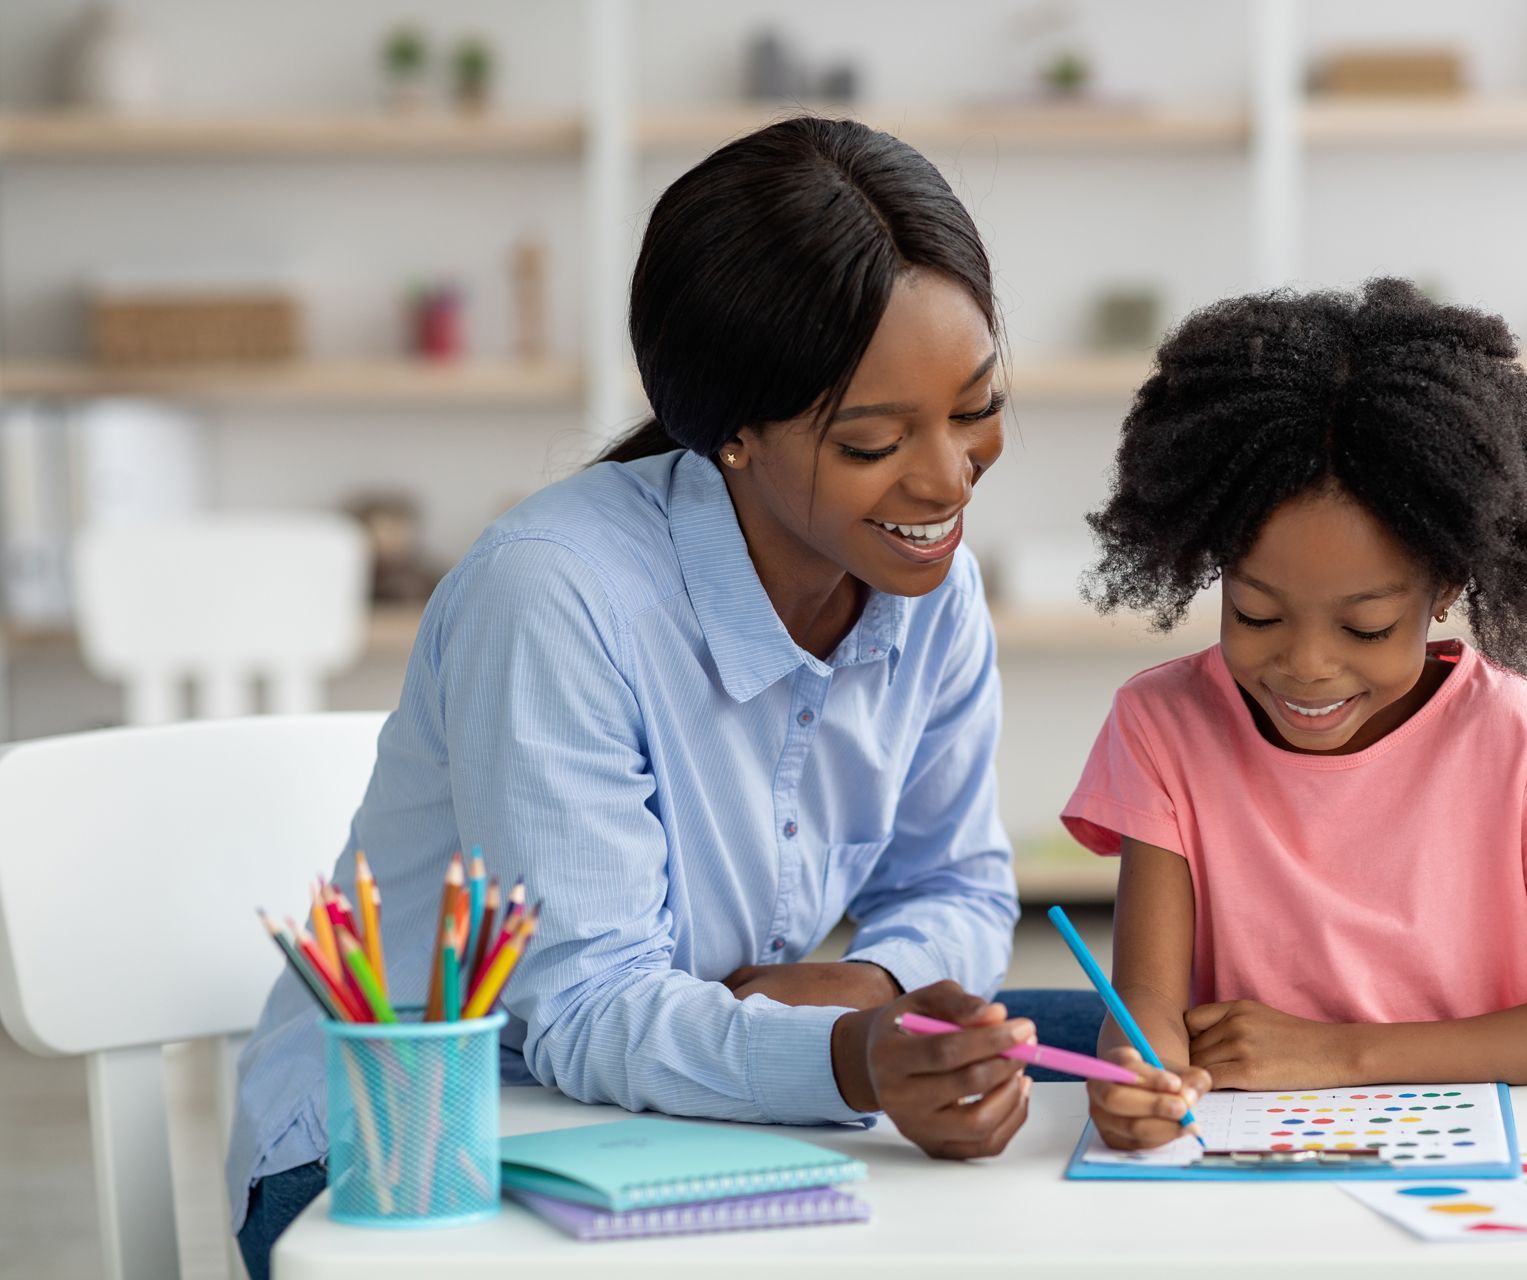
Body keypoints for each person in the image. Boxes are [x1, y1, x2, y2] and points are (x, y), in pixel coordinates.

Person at [230, 117, 1039, 1276]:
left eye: (974, 407)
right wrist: (853, 1055)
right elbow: (585, 1007)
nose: (948, 477)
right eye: (875, 440)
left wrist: (869, 990)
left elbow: (959, 883)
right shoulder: (553, 594)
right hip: (404, 1145)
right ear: (734, 437)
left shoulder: (928, 588)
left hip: (663, 1110)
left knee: (1074, 1059)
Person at [1061, 279, 1527, 1150]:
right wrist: (1138, 1076)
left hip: (1477, 1158)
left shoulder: (1515, 741)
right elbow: (1148, 1001)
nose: (1307, 665)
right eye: (1257, 615)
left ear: (1448, 587)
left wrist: (1342, 1055)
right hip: (1249, 1153)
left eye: (1368, 626)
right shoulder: (1162, 725)